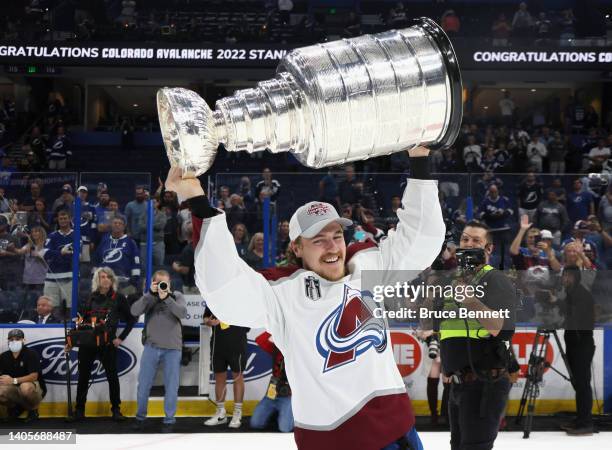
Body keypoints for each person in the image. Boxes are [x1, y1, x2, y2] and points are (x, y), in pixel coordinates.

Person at [165, 145, 444, 449]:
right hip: (336, 441)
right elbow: (226, 289)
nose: (332, 247)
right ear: (296, 248)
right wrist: (197, 200)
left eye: (337, 235)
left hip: (400, 433)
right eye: (318, 240)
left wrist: (418, 159)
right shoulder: (284, 292)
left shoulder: (368, 265)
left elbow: (422, 238)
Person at [434, 221, 517, 450]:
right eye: (465, 239)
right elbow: (445, 326)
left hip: (484, 385)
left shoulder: (495, 280)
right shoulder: (452, 281)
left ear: (488, 249)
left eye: (476, 241)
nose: (468, 244)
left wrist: (471, 301)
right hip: (459, 385)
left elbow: (504, 330)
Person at [69, 267, 136, 421]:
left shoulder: (119, 298)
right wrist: (72, 340)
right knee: (83, 377)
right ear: (97, 280)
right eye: (102, 277)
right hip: (88, 343)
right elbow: (82, 321)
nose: (105, 279)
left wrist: (120, 338)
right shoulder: (90, 298)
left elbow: (132, 319)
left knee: (112, 376)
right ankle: (79, 410)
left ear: (112, 280)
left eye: (108, 277)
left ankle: (116, 409)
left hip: (107, 344)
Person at [131, 270, 187, 433]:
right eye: (159, 283)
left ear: (169, 283)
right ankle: (140, 418)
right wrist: (150, 293)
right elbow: (134, 311)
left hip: (173, 349)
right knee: (144, 386)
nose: (162, 286)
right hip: (151, 346)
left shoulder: (177, 296)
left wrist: (166, 298)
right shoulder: (149, 297)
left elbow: (183, 313)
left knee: (171, 387)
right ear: (154, 283)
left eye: (165, 283)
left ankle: (169, 420)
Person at [559, 266, 595, 435]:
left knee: (582, 384)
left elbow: (577, 317)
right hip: (574, 344)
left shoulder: (581, 294)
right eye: (564, 275)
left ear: (576, 277)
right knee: (578, 384)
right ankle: (581, 418)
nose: (565, 279)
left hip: (582, 345)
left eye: (568, 276)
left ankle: (586, 422)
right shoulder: (571, 293)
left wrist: (557, 303)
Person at [203, 306, 249, 429]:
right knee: (219, 377)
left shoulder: (242, 299)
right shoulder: (213, 296)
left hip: (237, 344)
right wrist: (209, 321)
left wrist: (228, 319)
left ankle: (237, 413)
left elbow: (248, 325)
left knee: (238, 376)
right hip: (218, 344)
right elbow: (206, 316)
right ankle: (220, 413)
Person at [250, 331, 294, 432]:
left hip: (289, 396)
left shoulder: (299, 355)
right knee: (255, 423)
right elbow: (260, 340)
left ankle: (293, 415)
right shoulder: (275, 349)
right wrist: (274, 328)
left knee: (285, 429)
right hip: (272, 394)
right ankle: (277, 415)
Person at [0, 329, 45, 422]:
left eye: (17, 339)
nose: (14, 341)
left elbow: (34, 376)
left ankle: (33, 410)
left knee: (25, 388)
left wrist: (13, 380)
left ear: (23, 340)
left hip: (32, 385)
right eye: (11, 339)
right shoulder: (3, 356)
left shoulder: (31, 354)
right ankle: (15, 409)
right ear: (8, 341)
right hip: (12, 388)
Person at [94, 216, 141, 294]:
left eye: (120, 223)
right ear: (111, 225)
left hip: (123, 282)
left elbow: (136, 262)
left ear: (124, 227)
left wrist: (135, 279)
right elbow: (97, 259)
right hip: (104, 281)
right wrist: (95, 275)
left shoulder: (130, 242)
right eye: (115, 223)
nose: (117, 225)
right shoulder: (104, 240)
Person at [41, 209, 76, 313]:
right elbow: (46, 254)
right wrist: (61, 253)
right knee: (51, 308)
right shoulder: (52, 236)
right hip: (51, 277)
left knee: (70, 308)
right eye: (61, 219)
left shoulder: (76, 235)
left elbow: (77, 255)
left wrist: (54, 253)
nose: (63, 220)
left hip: (70, 276)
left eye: (65, 218)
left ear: (70, 219)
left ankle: (70, 328)